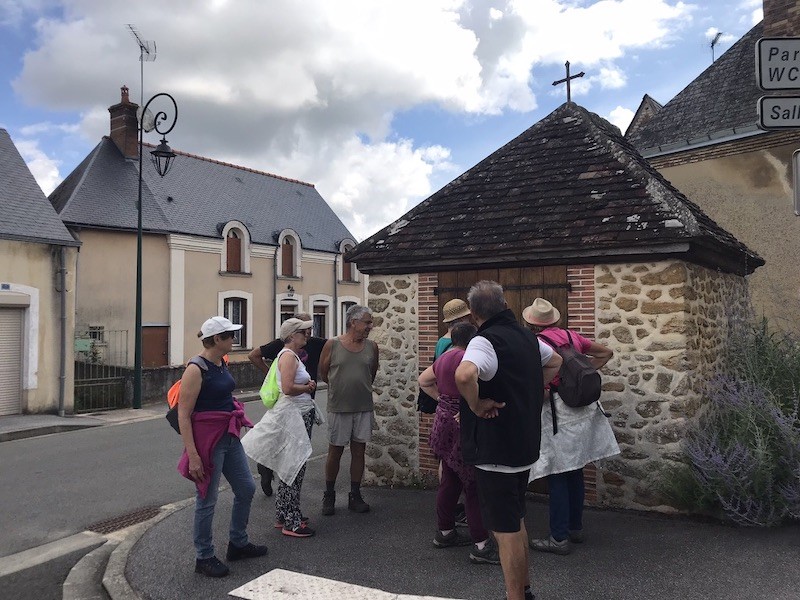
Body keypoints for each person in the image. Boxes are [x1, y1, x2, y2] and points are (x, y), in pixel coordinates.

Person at [455, 282, 561, 600]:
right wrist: (529, 392)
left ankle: (515, 596)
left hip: (496, 448)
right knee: (516, 519)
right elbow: (556, 361)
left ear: (473, 314)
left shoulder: (483, 342)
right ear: (504, 304)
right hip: (524, 445)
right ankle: (524, 590)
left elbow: (463, 376)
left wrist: (475, 405)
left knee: (505, 530)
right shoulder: (528, 337)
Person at [521, 298, 618, 556]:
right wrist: (577, 376)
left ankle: (558, 537)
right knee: (576, 469)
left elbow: (537, 383)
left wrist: (556, 384)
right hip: (582, 411)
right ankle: (575, 528)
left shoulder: (537, 344)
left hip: (558, 415)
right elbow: (606, 353)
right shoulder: (572, 336)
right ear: (555, 319)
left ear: (531, 323)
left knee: (558, 473)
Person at [177, 316, 268, 578]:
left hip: (229, 435)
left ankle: (237, 543)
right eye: (229, 335)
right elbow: (184, 414)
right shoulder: (196, 369)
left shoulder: (220, 363)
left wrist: (235, 410)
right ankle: (203, 557)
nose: (234, 339)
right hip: (209, 441)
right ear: (217, 339)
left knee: (246, 488)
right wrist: (193, 455)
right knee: (207, 499)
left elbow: (224, 395)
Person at [418, 322, 500, 564]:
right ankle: (481, 543)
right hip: (463, 423)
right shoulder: (467, 358)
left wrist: (443, 400)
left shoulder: (444, 357)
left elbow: (424, 380)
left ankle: (444, 531)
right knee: (473, 483)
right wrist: (463, 404)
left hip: (443, 421)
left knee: (450, 480)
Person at [242, 317, 319, 537]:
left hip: (297, 414)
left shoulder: (289, 356)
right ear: (292, 335)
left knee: (291, 464)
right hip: (295, 416)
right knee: (294, 465)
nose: (307, 335)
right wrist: (308, 386)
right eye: (303, 332)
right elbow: (287, 388)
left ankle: (284, 514)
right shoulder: (288, 357)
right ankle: (291, 521)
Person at [247, 312, 326, 497]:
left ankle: (274, 473)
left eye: (310, 328)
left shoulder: (314, 342)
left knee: (292, 445)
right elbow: (253, 355)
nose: (308, 332)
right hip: (290, 400)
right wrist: (272, 375)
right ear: (293, 331)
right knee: (290, 447)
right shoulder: (283, 346)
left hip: (306, 400)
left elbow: (334, 347)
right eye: (305, 328)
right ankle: (272, 472)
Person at [318, 304, 379, 515]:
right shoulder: (332, 344)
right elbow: (324, 373)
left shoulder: (372, 347)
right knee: (335, 451)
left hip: (363, 406)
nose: (370, 326)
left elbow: (372, 372)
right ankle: (329, 495)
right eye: (367, 322)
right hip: (339, 407)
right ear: (353, 322)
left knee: (359, 451)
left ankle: (355, 494)